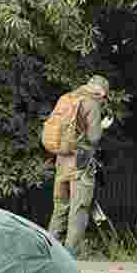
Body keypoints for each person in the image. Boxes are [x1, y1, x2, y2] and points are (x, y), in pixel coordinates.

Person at [46, 75, 113, 257]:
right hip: (80, 164)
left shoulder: (68, 98)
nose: (103, 99)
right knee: (79, 209)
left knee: (60, 208)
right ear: (101, 91)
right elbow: (94, 137)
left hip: (61, 161)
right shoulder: (92, 103)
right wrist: (102, 126)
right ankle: (70, 256)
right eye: (104, 96)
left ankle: (50, 253)